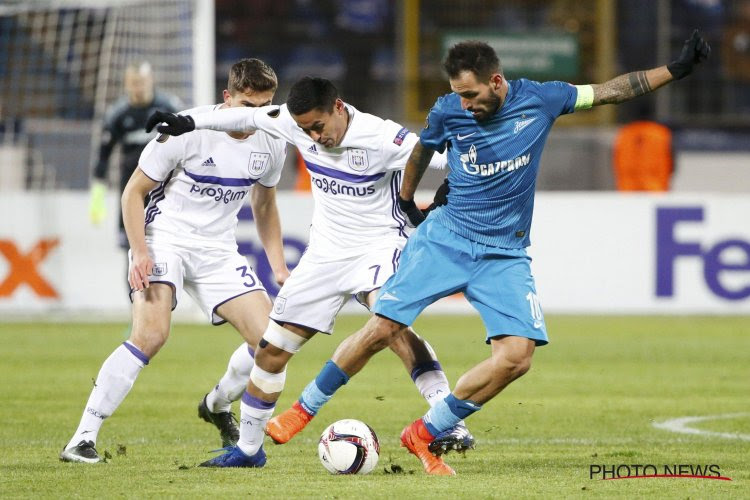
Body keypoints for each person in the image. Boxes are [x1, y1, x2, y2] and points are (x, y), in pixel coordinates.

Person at [257, 30, 710, 475]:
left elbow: (611, 91)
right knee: (384, 328)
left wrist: (674, 69)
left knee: (517, 357)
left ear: (496, 82)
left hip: (504, 253)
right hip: (446, 240)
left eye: (471, 95)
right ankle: (303, 410)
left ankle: (426, 431)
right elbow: (420, 153)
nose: (465, 105)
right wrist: (406, 201)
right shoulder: (447, 112)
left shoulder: (543, 99)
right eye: (458, 95)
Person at [147, 76, 472, 469]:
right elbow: (240, 116)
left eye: (318, 126)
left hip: (379, 244)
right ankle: (249, 451)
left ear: (338, 108)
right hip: (323, 255)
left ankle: (447, 418)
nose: (314, 137)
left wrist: (454, 186)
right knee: (270, 351)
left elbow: (447, 154)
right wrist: (188, 122)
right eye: (304, 130)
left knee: (390, 322)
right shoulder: (291, 122)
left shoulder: (382, 137)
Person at [60, 58, 290, 463]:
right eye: (247, 105)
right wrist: (140, 252)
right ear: (227, 97)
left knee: (272, 344)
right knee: (151, 335)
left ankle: (217, 405)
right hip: (165, 237)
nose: (256, 116)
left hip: (218, 249)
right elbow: (133, 192)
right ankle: (82, 438)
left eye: (266, 105)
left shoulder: (271, 139)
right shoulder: (186, 129)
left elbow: (265, 204)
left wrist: (278, 266)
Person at [89, 61, 182, 249]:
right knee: (133, 253)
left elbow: (187, 145)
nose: (137, 87)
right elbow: (103, 158)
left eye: (141, 81)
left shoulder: (168, 107)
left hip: (164, 189)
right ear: (126, 84)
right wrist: (97, 201)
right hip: (132, 188)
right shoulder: (118, 114)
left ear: (151, 81)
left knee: (167, 247)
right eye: (133, 82)